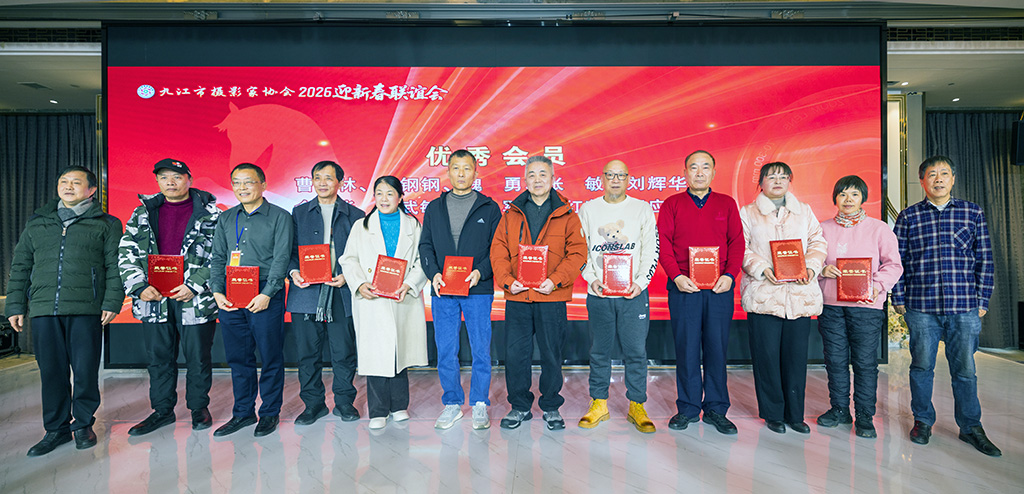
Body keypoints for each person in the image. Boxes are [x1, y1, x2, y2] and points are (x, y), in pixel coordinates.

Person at [6, 166, 123, 456]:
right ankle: (55, 429)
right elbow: (21, 265)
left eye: (76, 182)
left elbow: (115, 266)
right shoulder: (38, 222)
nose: (68, 186)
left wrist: (111, 302)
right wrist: (15, 304)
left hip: (86, 308)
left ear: (91, 190)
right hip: (44, 308)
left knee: (84, 371)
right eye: (64, 182)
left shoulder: (107, 223)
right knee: (51, 372)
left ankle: (83, 424)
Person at [893, 156, 1000, 457]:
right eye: (931, 174)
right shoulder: (909, 217)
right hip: (921, 307)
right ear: (922, 180)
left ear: (953, 179)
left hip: (963, 306)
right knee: (921, 367)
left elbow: (985, 259)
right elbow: (897, 261)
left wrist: (982, 300)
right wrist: (898, 298)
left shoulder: (972, 212)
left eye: (944, 174)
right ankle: (923, 421)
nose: (938, 179)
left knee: (965, 370)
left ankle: (970, 427)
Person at [118, 159, 221, 435]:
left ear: (189, 179)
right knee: (159, 358)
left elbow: (220, 256)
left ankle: (199, 407)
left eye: (177, 176)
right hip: (154, 298)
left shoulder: (212, 214)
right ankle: (162, 411)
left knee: (198, 357)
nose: (170, 182)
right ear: (157, 182)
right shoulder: (142, 212)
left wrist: (195, 285)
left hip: (195, 299)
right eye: (164, 177)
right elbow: (126, 251)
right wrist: (139, 287)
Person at [490, 155, 587, 431]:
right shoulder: (511, 215)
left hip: (551, 297)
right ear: (524, 180)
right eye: (531, 175)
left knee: (551, 354)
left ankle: (552, 406)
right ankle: (519, 406)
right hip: (518, 297)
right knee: (516, 355)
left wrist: (555, 281)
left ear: (553, 178)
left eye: (543, 174)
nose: (537, 180)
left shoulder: (567, 215)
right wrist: (508, 281)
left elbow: (578, 253)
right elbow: (497, 251)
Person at [657, 150, 743, 435]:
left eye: (705, 167)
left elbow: (737, 243)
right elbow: (663, 244)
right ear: (685, 172)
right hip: (684, 288)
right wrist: (676, 276)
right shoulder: (672, 204)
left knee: (717, 349)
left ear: (714, 172)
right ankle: (688, 407)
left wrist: (730, 275)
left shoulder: (727, 203)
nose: (699, 172)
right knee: (687, 349)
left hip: (719, 289)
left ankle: (716, 408)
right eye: (693, 167)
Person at [739, 161, 827, 434]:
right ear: (761, 183)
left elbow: (818, 242)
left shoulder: (804, 211)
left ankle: (795, 415)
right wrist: (762, 268)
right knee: (766, 358)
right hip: (764, 295)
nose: (777, 181)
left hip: (798, 296)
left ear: (790, 181)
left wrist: (810, 267)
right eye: (771, 177)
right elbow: (741, 247)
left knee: (796, 358)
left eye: (783, 177)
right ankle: (773, 413)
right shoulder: (748, 213)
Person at [419, 150, 502, 430]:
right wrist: (433, 274)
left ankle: (479, 403)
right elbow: (425, 246)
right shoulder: (435, 207)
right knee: (446, 348)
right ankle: (452, 403)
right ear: (448, 172)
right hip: (444, 289)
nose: (461, 173)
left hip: (478, 289)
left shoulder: (489, 208)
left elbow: (497, 249)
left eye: (467, 168)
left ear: (476, 172)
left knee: (480, 348)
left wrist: (480, 272)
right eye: (456, 168)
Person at [209, 163, 293, 437]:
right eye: (237, 182)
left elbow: (281, 258)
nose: (242, 187)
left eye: (248, 182)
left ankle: (269, 413)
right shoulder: (226, 217)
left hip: (265, 292)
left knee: (270, 356)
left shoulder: (280, 216)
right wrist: (217, 291)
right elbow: (218, 257)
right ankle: (243, 413)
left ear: (263, 185)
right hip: (231, 294)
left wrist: (268, 293)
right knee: (238, 358)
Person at [816, 175, 902, 439]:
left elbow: (894, 265)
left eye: (854, 194)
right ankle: (839, 409)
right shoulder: (821, 229)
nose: (848, 199)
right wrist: (821, 270)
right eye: (842, 194)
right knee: (835, 360)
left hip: (866, 305)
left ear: (863, 197)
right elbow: (810, 262)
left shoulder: (879, 229)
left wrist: (877, 285)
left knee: (865, 362)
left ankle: (865, 415)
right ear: (835, 198)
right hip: (831, 305)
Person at [339, 176, 428, 430]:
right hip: (373, 298)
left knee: (399, 353)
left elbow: (422, 260)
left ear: (400, 197)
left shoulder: (413, 225)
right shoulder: (361, 226)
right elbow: (349, 259)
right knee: (376, 354)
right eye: (379, 193)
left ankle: (399, 406)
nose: (384, 199)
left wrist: (410, 284)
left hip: (401, 296)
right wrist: (359, 284)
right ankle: (378, 410)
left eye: (390, 193)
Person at [577, 159, 659, 433]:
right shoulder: (588, 209)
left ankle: (637, 404)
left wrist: (640, 282)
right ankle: (599, 402)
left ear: (628, 179)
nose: (615, 180)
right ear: (602, 178)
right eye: (610, 175)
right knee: (599, 351)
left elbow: (651, 249)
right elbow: (580, 249)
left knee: (636, 351)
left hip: (633, 294)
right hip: (599, 293)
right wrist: (592, 279)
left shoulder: (641, 209)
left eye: (620, 175)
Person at [287, 161, 365, 425]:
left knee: (343, 352)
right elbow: (288, 251)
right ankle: (313, 405)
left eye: (328, 178)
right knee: (307, 354)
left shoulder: (356, 215)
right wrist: (293, 272)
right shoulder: (298, 213)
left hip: (341, 293)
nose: (322, 183)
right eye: (317, 177)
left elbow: (364, 256)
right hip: (305, 293)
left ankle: (344, 402)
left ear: (340, 183)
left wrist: (349, 277)